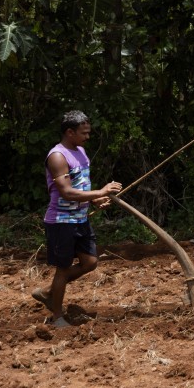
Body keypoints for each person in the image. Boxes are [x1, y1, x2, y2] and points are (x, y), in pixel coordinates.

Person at [31, 111, 122, 327]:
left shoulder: (80, 151)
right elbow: (67, 193)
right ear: (69, 132)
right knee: (62, 269)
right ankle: (57, 317)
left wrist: (95, 201)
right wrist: (101, 192)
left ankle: (48, 291)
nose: (87, 137)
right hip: (61, 221)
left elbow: (82, 186)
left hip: (80, 219)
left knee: (90, 262)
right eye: (84, 133)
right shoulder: (57, 156)